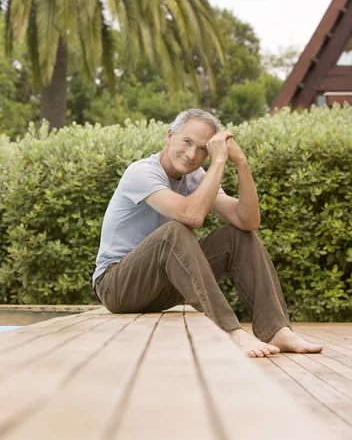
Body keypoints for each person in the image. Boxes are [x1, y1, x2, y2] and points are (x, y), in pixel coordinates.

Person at [92, 109, 323, 358]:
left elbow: (248, 221)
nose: (192, 155)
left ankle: (277, 329)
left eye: (203, 148)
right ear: (170, 136)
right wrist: (219, 161)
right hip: (116, 287)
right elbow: (190, 216)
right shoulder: (141, 173)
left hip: (162, 289)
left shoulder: (196, 176)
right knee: (174, 231)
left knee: (238, 236)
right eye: (187, 142)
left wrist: (241, 163)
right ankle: (229, 330)